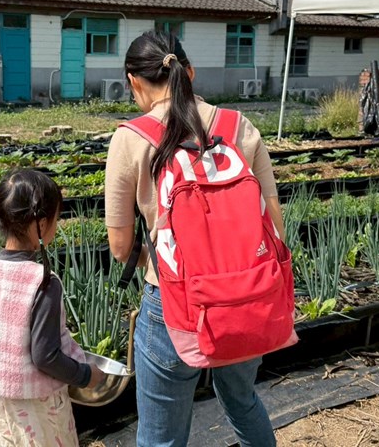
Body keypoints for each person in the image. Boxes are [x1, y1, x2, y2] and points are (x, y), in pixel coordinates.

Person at [104, 30, 285, 447]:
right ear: (190, 72)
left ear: (134, 81)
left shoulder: (131, 137)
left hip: (173, 304)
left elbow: (118, 248)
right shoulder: (240, 126)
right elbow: (275, 224)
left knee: (162, 434)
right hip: (247, 298)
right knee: (242, 401)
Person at [0, 169, 105, 447]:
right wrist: (86, 376)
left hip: (2, 397)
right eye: (56, 219)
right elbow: (45, 357)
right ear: (42, 224)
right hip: (40, 404)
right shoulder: (43, 281)